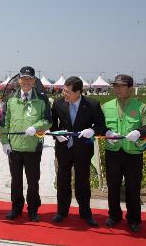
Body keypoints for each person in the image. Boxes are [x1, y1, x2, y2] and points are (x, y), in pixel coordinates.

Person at [51, 76, 106, 226]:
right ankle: (62, 212)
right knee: (63, 181)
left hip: (83, 149)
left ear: (78, 92)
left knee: (82, 181)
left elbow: (101, 125)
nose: (64, 94)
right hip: (63, 149)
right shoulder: (58, 103)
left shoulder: (92, 105)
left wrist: (92, 130)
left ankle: (85, 213)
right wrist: (57, 134)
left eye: (67, 92)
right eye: (64, 90)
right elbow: (52, 124)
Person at [0, 66, 52, 222]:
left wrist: (35, 127)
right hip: (14, 148)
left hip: (33, 147)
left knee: (33, 181)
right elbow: (3, 122)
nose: (26, 82)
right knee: (16, 180)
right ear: (19, 80)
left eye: (30, 79)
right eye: (23, 78)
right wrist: (4, 142)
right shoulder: (10, 99)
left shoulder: (42, 99)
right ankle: (16, 208)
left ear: (34, 81)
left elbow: (48, 121)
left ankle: (33, 209)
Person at [102, 74, 146, 232]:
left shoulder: (140, 107)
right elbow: (99, 125)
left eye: (121, 86)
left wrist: (138, 131)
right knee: (112, 185)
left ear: (130, 88)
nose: (117, 89)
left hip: (133, 153)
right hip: (113, 151)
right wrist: (106, 132)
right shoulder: (106, 106)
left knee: (133, 187)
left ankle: (134, 219)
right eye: (115, 85)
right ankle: (114, 215)